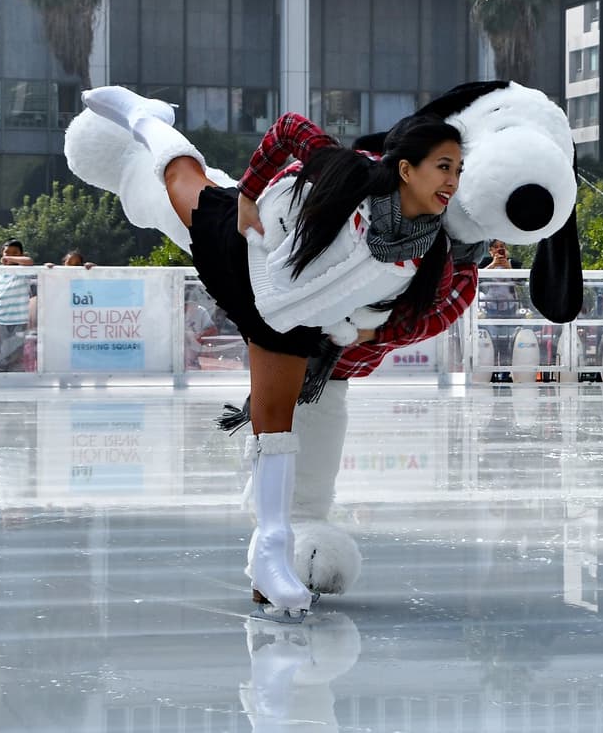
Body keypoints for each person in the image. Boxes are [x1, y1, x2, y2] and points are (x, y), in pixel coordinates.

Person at [80, 85, 470, 620]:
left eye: (459, 170)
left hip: (291, 325)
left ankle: (270, 561)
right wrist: (248, 191)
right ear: (406, 168)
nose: (452, 181)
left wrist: (365, 334)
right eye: (444, 166)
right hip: (245, 253)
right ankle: (144, 117)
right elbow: (288, 127)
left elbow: (422, 316)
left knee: (279, 430)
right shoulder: (348, 172)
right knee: (181, 177)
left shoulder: (431, 252)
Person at [478, 240, 523, 382]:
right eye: (496, 248)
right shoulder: (484, 262)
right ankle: (489, 374)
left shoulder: (514, 263)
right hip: (489, 308)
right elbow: (477, 276)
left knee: (506, 342)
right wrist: (493, 265)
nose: (499, 250)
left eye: (502, 247)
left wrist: (509, 268)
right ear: (491, 251)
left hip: (509, 308)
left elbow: (521, 280)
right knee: (491, 342)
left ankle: (505, 374)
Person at [0, 239, 34, 373]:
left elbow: (29, 262)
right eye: (6, 252)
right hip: (0, 320)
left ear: (21, 254)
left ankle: (16, 379)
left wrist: (9, 258)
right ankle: (1, 378)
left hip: (18, 320)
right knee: (1, 354)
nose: (9, 256)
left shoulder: (23, 272)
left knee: (15, 353)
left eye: (14, 253)